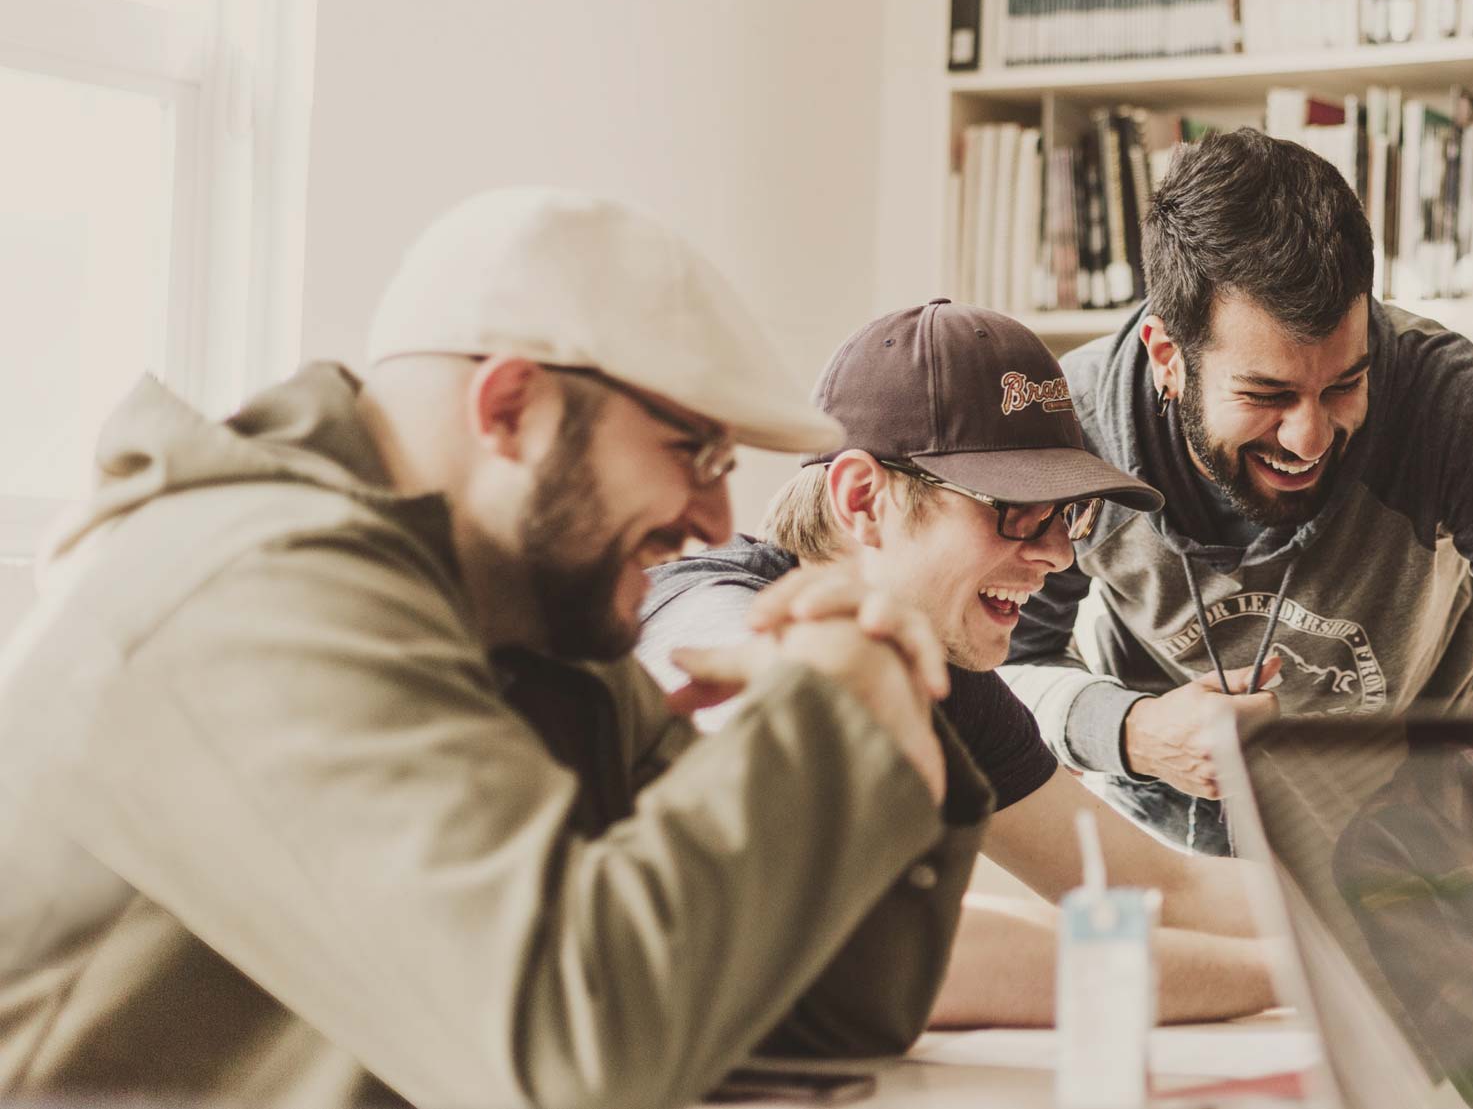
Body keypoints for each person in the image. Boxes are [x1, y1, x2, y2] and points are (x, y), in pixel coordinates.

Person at [0, 189, 986, 1109]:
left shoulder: (533, 626)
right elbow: (569, 1057)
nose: (716, 516)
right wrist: (829, 716)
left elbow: (809, 1017)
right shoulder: (255, 592)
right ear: (510, 406)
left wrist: (885, 706)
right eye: (692, 450)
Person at [642, 302, 1473, 1030]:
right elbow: (887, 950)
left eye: (1066, 517)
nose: (1058, 554)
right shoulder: (713, 625)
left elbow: (1153, 885)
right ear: (863, 498)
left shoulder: (945, 672)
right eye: (1014, 512)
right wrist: (1372, 968)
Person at [1002, 128, 1473, 924]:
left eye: (1344, 384)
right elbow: (1000, 671)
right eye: (1268, 395)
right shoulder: (1072, 434)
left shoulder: (1451, 408)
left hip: (1414, 863)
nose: (1309, 437)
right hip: (1168, 875)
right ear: (1167, 355)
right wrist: (1131, 729)